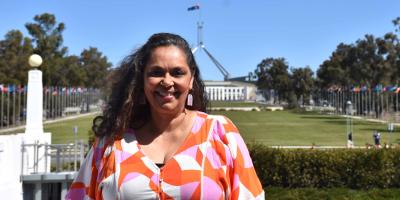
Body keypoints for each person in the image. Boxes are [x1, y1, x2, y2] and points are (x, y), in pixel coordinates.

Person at [66, 33, 264, 199]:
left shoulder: (220, 133)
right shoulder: (112, 142)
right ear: (141, 79)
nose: (167, 81)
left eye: (177, 72)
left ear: (191, 78)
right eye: (156, 72)